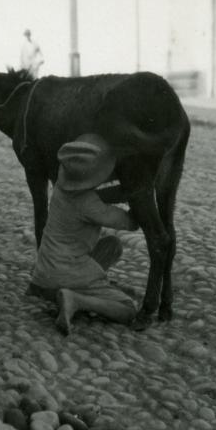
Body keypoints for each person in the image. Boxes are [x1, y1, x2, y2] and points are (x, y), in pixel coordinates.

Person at [27, 134, 139, 334]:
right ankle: (77, 299)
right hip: (67, 273)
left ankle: (58, 290)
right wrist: (137, 192)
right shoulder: (89, 204)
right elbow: (131, 222)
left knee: (112, 246)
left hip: (43, 274)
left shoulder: (61, 189)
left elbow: (95, 200)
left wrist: (114, 193)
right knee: (128, 309)